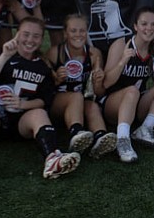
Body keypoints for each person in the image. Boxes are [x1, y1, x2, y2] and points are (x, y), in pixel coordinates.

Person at [0, 17, 81, 182]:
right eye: (25, 34)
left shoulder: (43, 67)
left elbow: (44, 100)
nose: (30, 40)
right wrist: (5, 56)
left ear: (42, 40)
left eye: (36, 36)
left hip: (22, 122)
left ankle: (52, 158)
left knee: (39, 113)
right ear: (16, 35)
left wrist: (23, 104)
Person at [101, 7, 154, 162]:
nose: (149, 28)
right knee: (132, 91)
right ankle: (122, 140)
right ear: (135, 26)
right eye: (144, 24)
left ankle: (145, 128)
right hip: (113, 104)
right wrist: (122, 62)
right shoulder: (121, 44)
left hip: (136, 104)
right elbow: (106, 83)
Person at [46, 14, 118, 160]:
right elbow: (44, 87)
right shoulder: (55, 52)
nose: (78, 35)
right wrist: (55, 78)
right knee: (76, 97)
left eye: (82, 30)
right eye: (73, 31)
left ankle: (100, 136)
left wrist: (98, 80)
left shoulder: (94, 53)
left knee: (92, 105)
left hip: (82, 102)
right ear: (65, 33)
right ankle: (76, 133)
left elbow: (99, 92)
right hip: (58, 103)